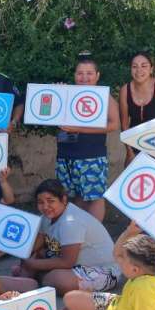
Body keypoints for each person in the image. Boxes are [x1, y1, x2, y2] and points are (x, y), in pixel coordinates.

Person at [14, 179, 120, 295]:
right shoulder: (47, 217)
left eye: (50, 201)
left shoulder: (71, 222)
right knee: (37, 256)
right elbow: (34, 247)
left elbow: (67, 262)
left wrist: (32, 264)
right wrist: (27, 258)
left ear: (63, 200)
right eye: (40, 202)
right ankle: (36, 278)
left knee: (57, 280)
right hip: (76, 267)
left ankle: (38, 278)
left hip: (103, 271)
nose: (45, 206)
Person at [56, 52, 119, 222]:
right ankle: (79, 235)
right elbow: (50, 116)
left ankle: (96, 237)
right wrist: (56, 94)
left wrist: (79, 129)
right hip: (66, 154)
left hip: (92, 154)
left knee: (95, 197)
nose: (84, 77)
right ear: (75, 75)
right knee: (75, 196)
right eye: (80, 73)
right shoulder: (66, 93)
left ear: (97, 76)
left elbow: (114, 125)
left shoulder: (104, 96)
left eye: (89, 73)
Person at [119, 51, 155, 166]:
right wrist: (129, 152)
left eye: (144, 66)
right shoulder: (125, 90)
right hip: (134, 147)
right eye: (135, 66)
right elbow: (124, 125)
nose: (139, 70)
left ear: (151, 69)